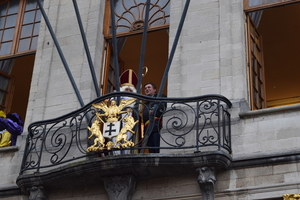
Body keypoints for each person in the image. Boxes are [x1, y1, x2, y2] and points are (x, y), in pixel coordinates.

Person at [142, 83, 166, 153]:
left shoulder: (160, 96)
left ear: (154, 90)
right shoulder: (145, 103)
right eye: (145, 88)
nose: (147, 89)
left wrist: (155, 109)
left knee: (157, 148)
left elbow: (163, 107)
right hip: (148, 129)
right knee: (151, 150)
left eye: (149, 87)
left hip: (156, 127)